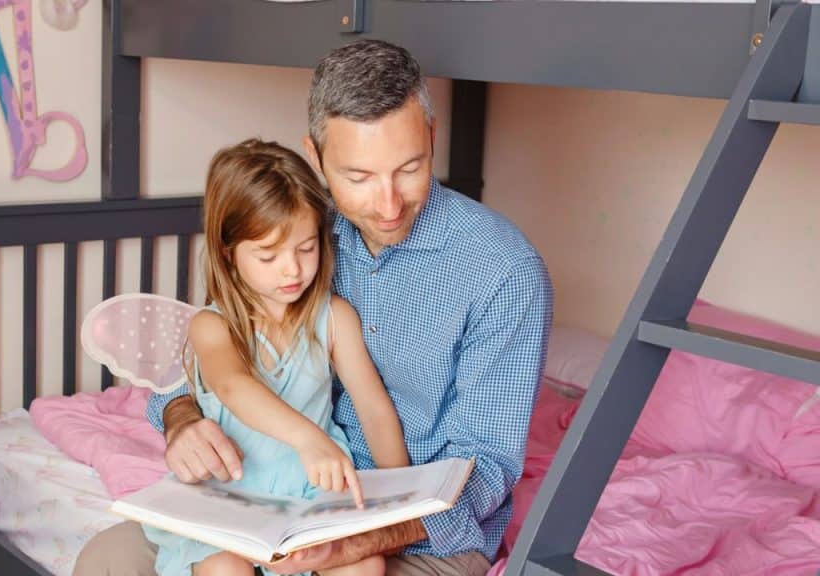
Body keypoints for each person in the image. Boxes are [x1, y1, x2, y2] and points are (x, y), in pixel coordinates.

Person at [74, 39, 552, 576]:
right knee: (104, 562)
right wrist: (182, 421)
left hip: (417, 529)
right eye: (358, 178)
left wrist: (367, 531)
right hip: (271, 497)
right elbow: (216, 365)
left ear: (432, 138)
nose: (388, 204)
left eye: (409, 168)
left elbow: (488, 467)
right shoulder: (297, 228)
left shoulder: (504, 271)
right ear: (316, 156)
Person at [141, 138, 409, 576]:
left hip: (309, 498)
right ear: (228, 254)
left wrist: (399, 497)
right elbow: (233, 386)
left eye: (306, 249)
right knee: (225, 569)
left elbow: (374, 408)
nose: (292, 270)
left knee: (368, 566)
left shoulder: (334, 319)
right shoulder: (213, 327)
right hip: (228, 500)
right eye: (268, 255)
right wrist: (309, 439)